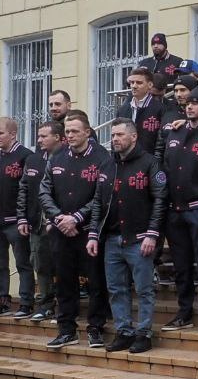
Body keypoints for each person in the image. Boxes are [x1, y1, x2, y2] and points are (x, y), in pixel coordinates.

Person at [89, 120, 166, 354]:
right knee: (116, 288)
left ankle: (144, 333)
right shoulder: (107, 165)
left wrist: (152, 234)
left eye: (120, 135)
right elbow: (97, 203)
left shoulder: (150, 163)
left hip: (140, 238)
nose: (115, 139)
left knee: (144, 289)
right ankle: (124, 331)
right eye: (112, 135)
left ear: (133, 137)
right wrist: (93, 233)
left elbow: (160, 200)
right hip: (112, 238)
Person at [39, 114, 113, 349]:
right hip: (61, 230)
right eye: (67, 131)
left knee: (95, 281)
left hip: (89, 230)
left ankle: (95, 327)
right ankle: (66, 329)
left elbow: (102, 195)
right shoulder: (57, 157)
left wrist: (77, 218)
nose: (70, 136)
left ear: (88, 132)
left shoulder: (103, 157)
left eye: (75, 131)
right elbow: (44, 191)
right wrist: (60, 218)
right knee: (64, 281)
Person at [160, 88, 198, 333]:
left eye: (195, 104)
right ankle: (184, 313)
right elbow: (165, 164)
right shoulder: (176, 131)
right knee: (181, 266)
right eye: (187, 103)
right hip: (175, 209)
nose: (189, 107)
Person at [0, 117, 35, 318]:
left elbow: (28, 190)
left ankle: (26, 304)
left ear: (13, 134)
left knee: (23, 264)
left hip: (16, 222)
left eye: (0, 133)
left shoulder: (25, 156)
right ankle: (1, 302)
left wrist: (25, 218)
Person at [17, 121, 64, 322]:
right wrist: (22, 217)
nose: (39, 140)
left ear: (57, 137)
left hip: (61, 223)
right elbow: (24, 189)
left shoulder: (68, 158)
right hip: (37, 222)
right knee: (40, 264)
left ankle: (64, 305)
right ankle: (45, 304)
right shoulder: (33, 160)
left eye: (44, 136)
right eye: (39, 136)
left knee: (63, 266)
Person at [116, 67, 167, 157]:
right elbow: (116, 137)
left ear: (150, 85)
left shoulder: (160, 109)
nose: (134, 86)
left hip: (149, 163)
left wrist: (155, 164)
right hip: (126, 163)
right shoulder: (123, 110)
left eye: (139, 83)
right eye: (132, 82)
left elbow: (161, 142)